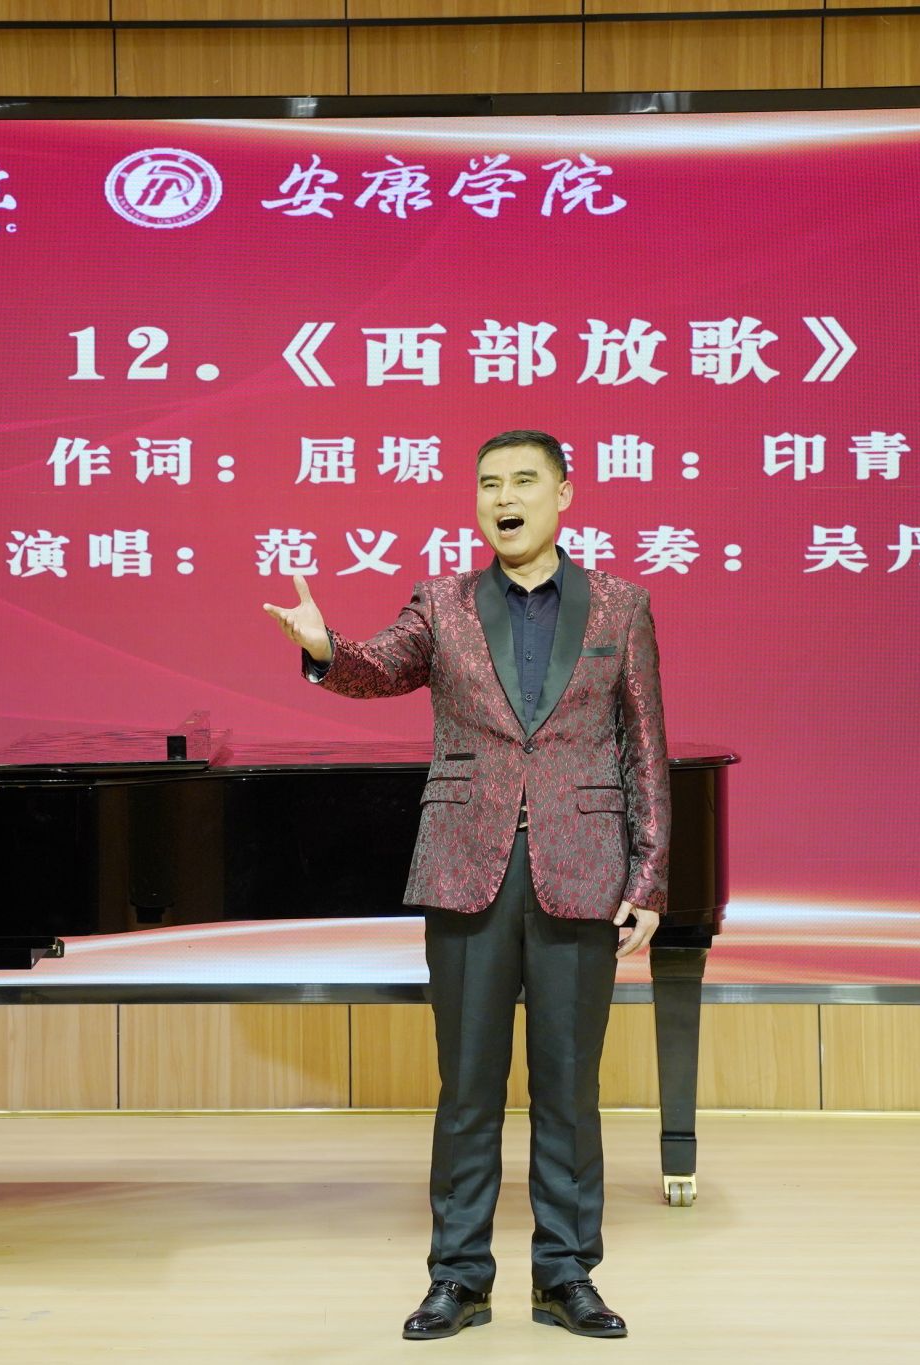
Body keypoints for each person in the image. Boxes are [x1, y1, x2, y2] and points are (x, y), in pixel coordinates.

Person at [264, 430, 670, 1341]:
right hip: (467, 868)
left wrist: (649, 874)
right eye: (489, 484)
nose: (504, 497)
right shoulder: (442, 603)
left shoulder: (621, 606)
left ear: (564, 493)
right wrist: (325, 646)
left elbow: (645, 746)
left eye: (524, 480)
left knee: (569, 1088)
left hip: (583, 868)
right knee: (468, 1088)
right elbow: (379, 665)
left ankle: (566, 1274)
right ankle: (458, 1276)